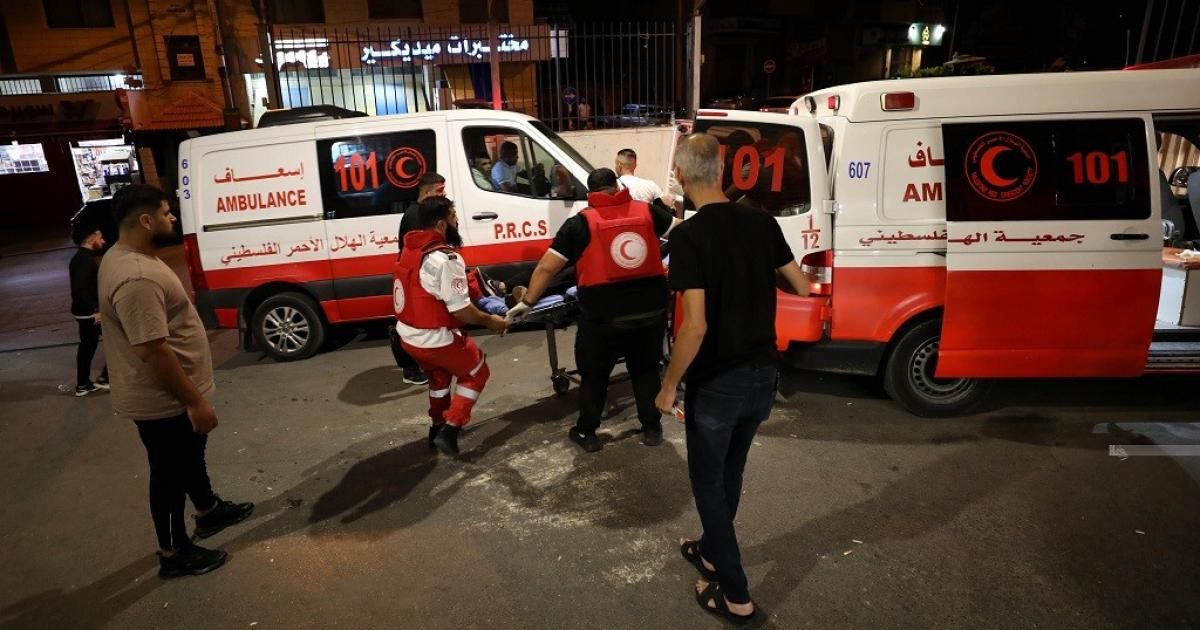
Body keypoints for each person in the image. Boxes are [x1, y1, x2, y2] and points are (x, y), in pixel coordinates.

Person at [654, 134, 810, 623]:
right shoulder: (761, 221)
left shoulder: (688, 237)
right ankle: (710, 550)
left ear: (681, 176)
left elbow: (694, 326)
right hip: (764, 374)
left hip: (719, 382)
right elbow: (801, 284)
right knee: (730, 471)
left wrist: (668, 386)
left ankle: (736, 594)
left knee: (707, 482)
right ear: (722, 170)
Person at [98, 185, 254, 578]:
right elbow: (152, 351)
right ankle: (173, 552)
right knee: (168, 474)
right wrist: (194, 402)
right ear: (145, 220)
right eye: (166, 213)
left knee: (188, 458)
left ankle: (208, 510)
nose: (173, 219)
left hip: (174, 395)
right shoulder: (136, 277)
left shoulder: (128, 257)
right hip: (164, 401)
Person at [507, 168, 679, 452]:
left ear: (590, 194)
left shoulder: (579, 224)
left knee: (594, 375)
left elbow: (548, 267)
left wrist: (527, 303)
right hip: (650, 314)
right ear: (618, 188)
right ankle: (652, 428)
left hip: (603, 318)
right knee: (646, 370)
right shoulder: (648, 212)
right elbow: (682, 230)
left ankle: (587, 433)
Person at [394, 196, 508, 457]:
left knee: (439, 378)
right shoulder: (446, 259)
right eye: (454, 216)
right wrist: (490, 320)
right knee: (477, 371)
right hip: (434, 339)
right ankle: (451, 428)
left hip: (408, 337)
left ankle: (436, 428)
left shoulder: (408, 251)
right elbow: (461, 310)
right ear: (441, 224)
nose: (457, 221)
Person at [388, 173, 451, 386]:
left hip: (414, 273)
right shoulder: (417, 216)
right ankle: (410, 368)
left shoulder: (420, 213)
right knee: (412, 321)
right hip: (415, 275)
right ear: (426, 192)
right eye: (439, 191)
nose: (444, 194)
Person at [70, 228, 109, 396]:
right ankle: (105, 378)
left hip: (84, 312)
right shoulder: (84, 261)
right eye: (101, 238)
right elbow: (80, 288)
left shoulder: (80, 258)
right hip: (90, 314)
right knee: (120, 340)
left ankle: (83, 385)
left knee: (87, 347)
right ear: (91, 240)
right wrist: (95, 310)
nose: (103, 241)